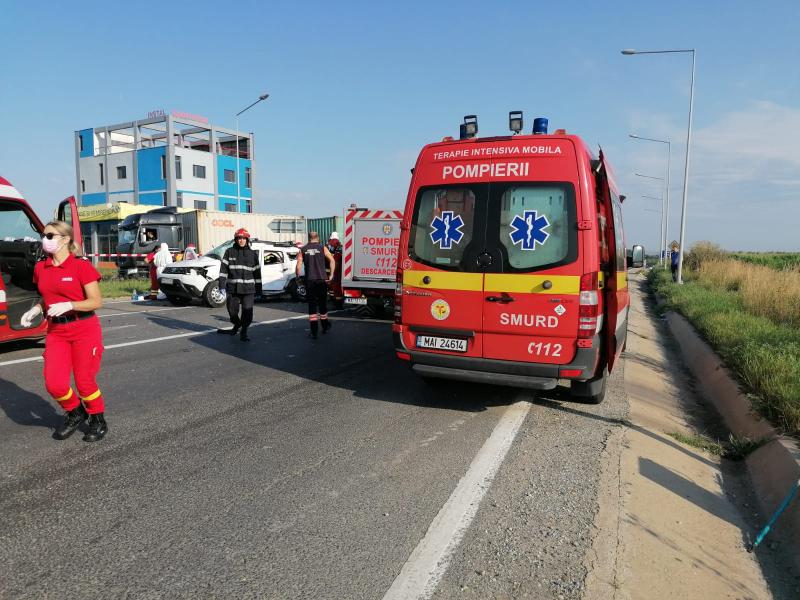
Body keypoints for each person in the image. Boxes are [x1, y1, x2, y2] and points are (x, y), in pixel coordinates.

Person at [19, 221, 108, 442]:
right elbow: (47, 294)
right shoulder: (41, 267)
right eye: (44, 235)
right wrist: (37, 308)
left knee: (84, 382)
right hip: (57, 331)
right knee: (54, 383)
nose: (45, 239)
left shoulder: (81, 266)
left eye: (50, 235)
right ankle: (76, 412)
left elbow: (96, 301)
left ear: (65, 239)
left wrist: (71, 305)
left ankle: (97, 419)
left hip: (84, 329)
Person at [216, 228, 261, 341]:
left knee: (247, 312)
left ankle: (244, 332)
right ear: (236, 239)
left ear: (247, 239)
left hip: (248, 289)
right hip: (233, 288)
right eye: (239, 238)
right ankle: (237, 324)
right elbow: (223, 270)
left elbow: (257, 272)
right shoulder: (229, 252)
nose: (241, 240)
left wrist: (259, 289)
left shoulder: (252, 254)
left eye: (243, 238)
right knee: (232, 311)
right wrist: (221, 286)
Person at [296, 231, 336, 339]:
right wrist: (331, 275)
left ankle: (314, 331)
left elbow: (299, 265)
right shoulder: (323, 248)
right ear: (318, 238)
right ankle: (325, 326)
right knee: (322, 304)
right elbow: (332, 260)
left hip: (310, 281)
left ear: (308, 238)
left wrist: (298, 277)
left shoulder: (303, 249)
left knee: (312, 306)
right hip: (321, 280)